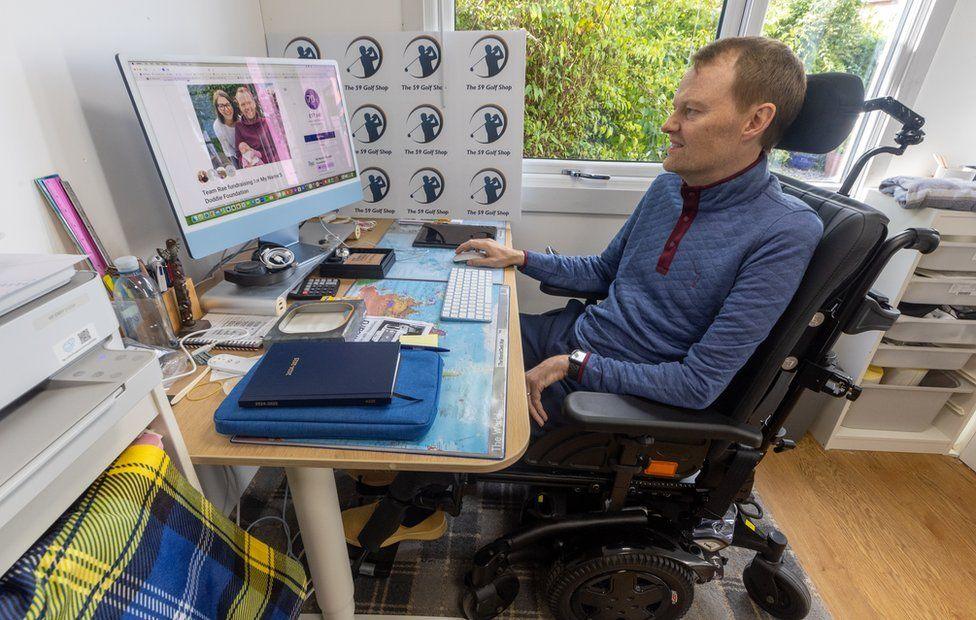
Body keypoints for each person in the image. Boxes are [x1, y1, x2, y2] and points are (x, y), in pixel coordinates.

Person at [456, 36, 823, 431]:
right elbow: (603, 271)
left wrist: (574, 365)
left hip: (610, 393)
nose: (669, 125)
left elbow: (698, 385)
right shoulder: (668, 187)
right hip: (572, 335)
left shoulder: (785, 231)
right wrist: (521, 258)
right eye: (675, 108)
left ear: (755, 121)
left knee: (462, 418)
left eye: (692, 111)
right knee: (451, 342)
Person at [233, 87, 285, 164]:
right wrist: (246, 162)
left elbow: (277, 148)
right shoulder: (239, 126)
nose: (247, 107)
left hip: (273, 165)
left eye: (249, 102)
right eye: (243, 104)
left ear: (254, 103)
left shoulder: (267, 122)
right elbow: (239, 154)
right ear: (240, 107)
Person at [210, 90, 238, 167]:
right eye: (221, 106)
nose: (226, 109)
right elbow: (229, 149)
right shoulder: (217, 125)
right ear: (217, 109)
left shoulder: (239, 119)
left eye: (227, 104)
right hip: (233, 155)